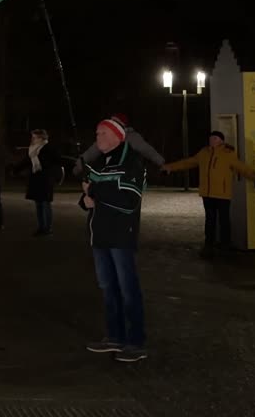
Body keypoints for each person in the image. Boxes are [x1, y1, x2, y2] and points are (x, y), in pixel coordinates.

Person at [81, 118, 148, 363]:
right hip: (98, 235)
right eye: (97, 133)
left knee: (128, 290)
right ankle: (114, 336)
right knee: (108, 288)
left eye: (101, 133)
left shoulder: (132, 162)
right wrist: (86, 199)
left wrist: (94, 192)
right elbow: (90, 198)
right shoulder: (99, 163)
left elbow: (129, 199)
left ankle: (136, 342)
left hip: (121, 236)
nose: (97, 137)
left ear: (115, 136)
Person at [162, 130, 255, 258]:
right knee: (210, 221)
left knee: (224, 221)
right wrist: (170, 167)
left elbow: (242, 167)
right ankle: (208, 245)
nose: (212, 140)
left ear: (221, 140)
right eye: (211, 138)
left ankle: (225, 246)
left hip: (222, 194)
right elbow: (188, 162)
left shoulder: (228, 154)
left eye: (215, 138)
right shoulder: (204, 153)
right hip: (207, 194)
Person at [74, 114, 164, 177]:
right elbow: (92, 152)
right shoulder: (107, 136)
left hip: (127, 171)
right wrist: (79, 165)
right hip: (109, 170)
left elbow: (147, 150)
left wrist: (161, 162)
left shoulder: (132, 137)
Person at [15, 129, 65, 236]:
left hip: (46, 179)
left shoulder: (49, 148)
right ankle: (41, 227)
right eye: (32, 137)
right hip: (36, 179)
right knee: (38, 204)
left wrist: (52, 172)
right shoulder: (32, 150)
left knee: (45, 203)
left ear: (41, 138)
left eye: (34, 137)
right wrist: (15, 169)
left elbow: (57, 161)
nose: (32, 139)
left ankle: (47, 228)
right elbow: (26, 161)